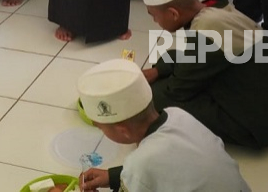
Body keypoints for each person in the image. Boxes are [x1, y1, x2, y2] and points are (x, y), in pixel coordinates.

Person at [137, 0, 268, 148]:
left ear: (173, 14)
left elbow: (176, 91)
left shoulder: (207, 32)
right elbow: (194, 57)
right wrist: (158, 70)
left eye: (153, 15)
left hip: (255, 126)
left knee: (152, 98)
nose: (154, 21)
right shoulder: (215, 8)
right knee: (169, 59)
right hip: (266, 102)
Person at [77, 59, 250, 192]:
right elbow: (174, 166)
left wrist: (128, 177)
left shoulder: (139, 164)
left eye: (101, 127)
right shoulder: (177, 114)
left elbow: (146, 169)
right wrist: (113, 176)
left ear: (123, 130)